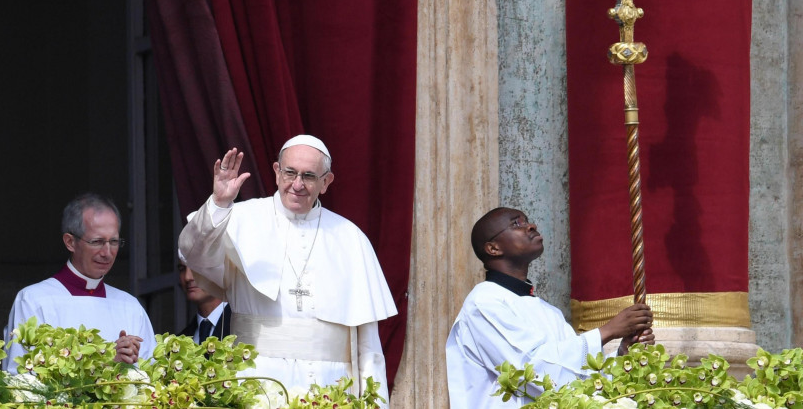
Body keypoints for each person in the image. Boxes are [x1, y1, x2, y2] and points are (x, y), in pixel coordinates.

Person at [178, 135, 397, 404]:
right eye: (290, 173)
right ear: (276, 172)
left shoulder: (350, 238)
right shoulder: (240, 218)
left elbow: (369, 348)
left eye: (308, 176)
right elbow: (193, 252)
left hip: (331, 390)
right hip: (255, 386)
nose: (297, 185)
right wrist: (219, 203)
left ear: (326, 182)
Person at [445, 207, 655, 409]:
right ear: (493, 248)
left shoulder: (548, 311)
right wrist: (607, 332)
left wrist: (622, 354)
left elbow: (573, 379)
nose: (531, 226)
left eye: (527, 220)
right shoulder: (483, 303)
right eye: (517, 223)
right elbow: (529, 372)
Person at [3, 193, 155, 372]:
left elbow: (151, 378)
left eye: (113, 242)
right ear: (70, 242)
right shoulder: (34, 300)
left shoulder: (129, 306)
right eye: (97, 242)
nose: (107, 252)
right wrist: (105, 361)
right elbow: (20, 380)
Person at [177, 252, 231, 343]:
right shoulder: (179, 342)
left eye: (196, 268)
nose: (187, 277)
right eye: (182, 269)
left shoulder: (245, 326)